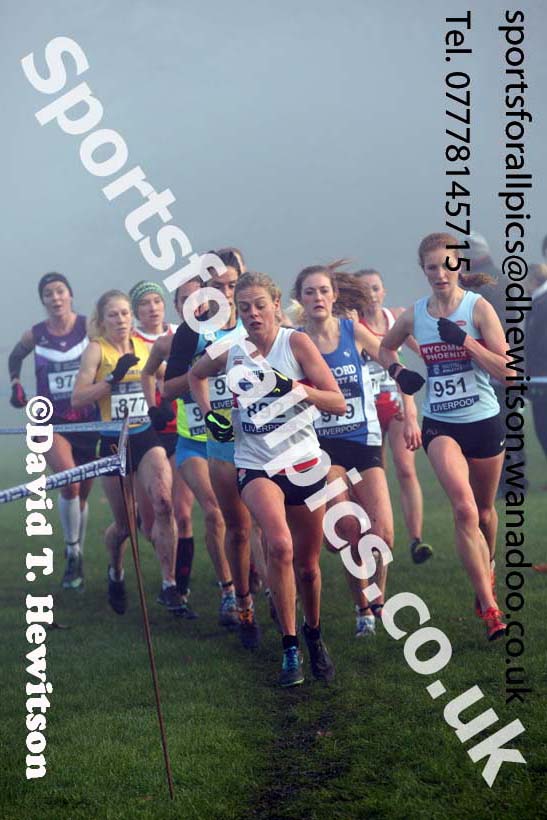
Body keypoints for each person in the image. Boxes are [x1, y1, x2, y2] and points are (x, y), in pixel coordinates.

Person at [189, 271, 346, 687]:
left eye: (260, 305)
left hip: (304, 463)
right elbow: (195, 375)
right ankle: (290, 646)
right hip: (256, 465)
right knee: (277, 544)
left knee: (309, 568)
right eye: (244, 308)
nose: (253, 314)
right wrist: (210, 416)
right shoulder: (230, 349)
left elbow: (338, 402)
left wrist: (292, 388)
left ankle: (314, 634)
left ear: (276, 304)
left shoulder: (296, 343)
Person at [380, 232, 510, 641]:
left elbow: (506, 371)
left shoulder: (478, 308)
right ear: (423, 271)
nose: (440, 273)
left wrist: (467, 343)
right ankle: (489, 608)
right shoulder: (415, 315)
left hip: (484, 420)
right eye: (432, 267)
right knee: (465, 510)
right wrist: (400, 373)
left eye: (447, 264)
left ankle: (486, 572)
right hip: (442, 424)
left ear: (460, 266)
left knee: (486, 513)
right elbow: (385, 350)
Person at [293, 263, 399, 637]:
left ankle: (378, 598)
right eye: (310, 292)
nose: (318, 298)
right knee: (351, 527)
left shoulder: (353, 331)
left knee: (383, 534)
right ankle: (363, 612)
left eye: (323, 291)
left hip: (364, 441)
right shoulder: (295, 342)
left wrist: (400, 372)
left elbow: (386, 351)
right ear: (300, 300)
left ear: (334, 296)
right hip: (322, 449)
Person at [165, 250, 259, 645]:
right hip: (198, 442)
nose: (225, 292)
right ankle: (228, 592)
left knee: (256, 523)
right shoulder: (192, 331)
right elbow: (167, 388)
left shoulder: (256, 325)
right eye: (217, 286)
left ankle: (258, 587)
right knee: (218, 514)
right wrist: (201, 369)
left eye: (231, 285)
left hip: (251, 439)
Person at [71, 290, 182, 615]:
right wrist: (113, 379)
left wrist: (162, 405)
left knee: (163, 502)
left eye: (124, 314)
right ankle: (115, 571)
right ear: (101, 320)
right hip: (111, 442)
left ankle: (169, 584)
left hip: (144, 436)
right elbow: (78, 399)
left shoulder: (143, 346)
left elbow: (166, 380)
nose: (120, 320)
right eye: (113, 315)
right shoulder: (96, 350)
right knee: (124, 526)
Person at [8, 272, 98, 590]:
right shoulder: (36, 334)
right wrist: (16, 384)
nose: (55, 298)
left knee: (82, 494)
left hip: (89, 420)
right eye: (48, 294)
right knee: (69, 482)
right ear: (43, 300)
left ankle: (77, 549)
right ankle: (72, 555)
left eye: (60, 291)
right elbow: (14, 356)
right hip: (51, 421)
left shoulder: (90, 328)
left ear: (70, 295)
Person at [355, 268, 432, 564]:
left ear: (384, 291)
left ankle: (416, 539)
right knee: (378, 475)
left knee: (407, 469)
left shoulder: (395, 318)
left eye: (375, 288)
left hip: (397, 404)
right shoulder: (353, 325)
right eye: (365, 290)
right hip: (367, 410)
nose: (371, 295)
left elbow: (424, 353)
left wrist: (411, 413)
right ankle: (378, 535)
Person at [133, 280, 197, 618]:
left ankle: (175, 587)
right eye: (145, 303)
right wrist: (152, 402)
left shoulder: (183, 334)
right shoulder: (131, 340)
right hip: (148, 433)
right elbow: (145, 372)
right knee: (149, 524)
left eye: (156, 300)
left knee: (179, 512)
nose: (152, 308)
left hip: (183, 429)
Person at [525, 263, 547, 471]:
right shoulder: (537, 302)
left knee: (543, 426)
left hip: (543, 377)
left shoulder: (543, 303)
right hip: (538, 376)